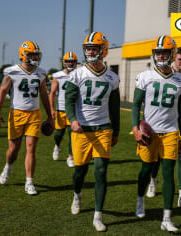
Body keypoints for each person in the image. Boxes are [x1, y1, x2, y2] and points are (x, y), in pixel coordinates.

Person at [65, 32, 120, 232]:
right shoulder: (77, 74)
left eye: (93, 48)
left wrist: (116, 131)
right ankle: (77, 195)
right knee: (80, 171)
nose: (89, 51)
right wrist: (72, 120)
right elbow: (70, 100)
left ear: (103, 50)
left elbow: (115, 107)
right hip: (81, 130)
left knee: (100, 171)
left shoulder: (112, 77)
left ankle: (98, 215)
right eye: (88, 48)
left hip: (103, 129)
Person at [132, 35, 181, 233]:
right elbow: (136, 104)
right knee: (146, 170)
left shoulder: (180, 80)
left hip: (170, 132)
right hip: (150, 132)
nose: (161, 55)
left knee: (168, 173)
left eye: (164, 52)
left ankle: (167, 218)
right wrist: (135, 129)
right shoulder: (145, 76)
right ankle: (140, 201)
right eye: (158, 52)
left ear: (172, 54)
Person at [0, 41, 53, 195]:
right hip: (16, 114)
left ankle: (29, 182)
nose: (35, 57)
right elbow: (1, 92)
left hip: (34, 114)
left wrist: (49, 115)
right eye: (31, 54)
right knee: (14, 149)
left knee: (31, 148)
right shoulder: (12, 72)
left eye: (36, 54)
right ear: (23, 55)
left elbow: (44, 94)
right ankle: (8, 166)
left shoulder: (41, 73)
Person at [145, 47, 181, 209]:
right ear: (174, 58)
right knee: (158, 157)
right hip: (163, 120)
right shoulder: (163, 73)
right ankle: (153, 181)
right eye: (180, 59)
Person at [49, 51, 78, 166]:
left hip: (74, 109)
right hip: (60, 109)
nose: (70, 63)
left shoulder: (79, 74)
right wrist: (51, 109)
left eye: (72, 61)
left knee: (72, 134)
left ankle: (70, 156)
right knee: (58, 134)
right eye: (68, 61)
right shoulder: (58, 76)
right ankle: (57, 145)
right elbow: (52, 93)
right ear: (64, 62)